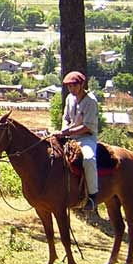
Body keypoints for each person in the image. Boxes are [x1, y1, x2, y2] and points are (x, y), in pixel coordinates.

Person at [55, 71, 99, 211]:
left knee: (88, 158)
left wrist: (66, 132)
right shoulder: (69, 98)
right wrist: (63, 130)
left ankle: (92, 196)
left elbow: (87, 127)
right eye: (68, 86)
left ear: (81, 84)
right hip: (69, 135)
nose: (71, 89)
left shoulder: (90, 101)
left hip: (86, 137)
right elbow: (66, 117)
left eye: (74, 86)